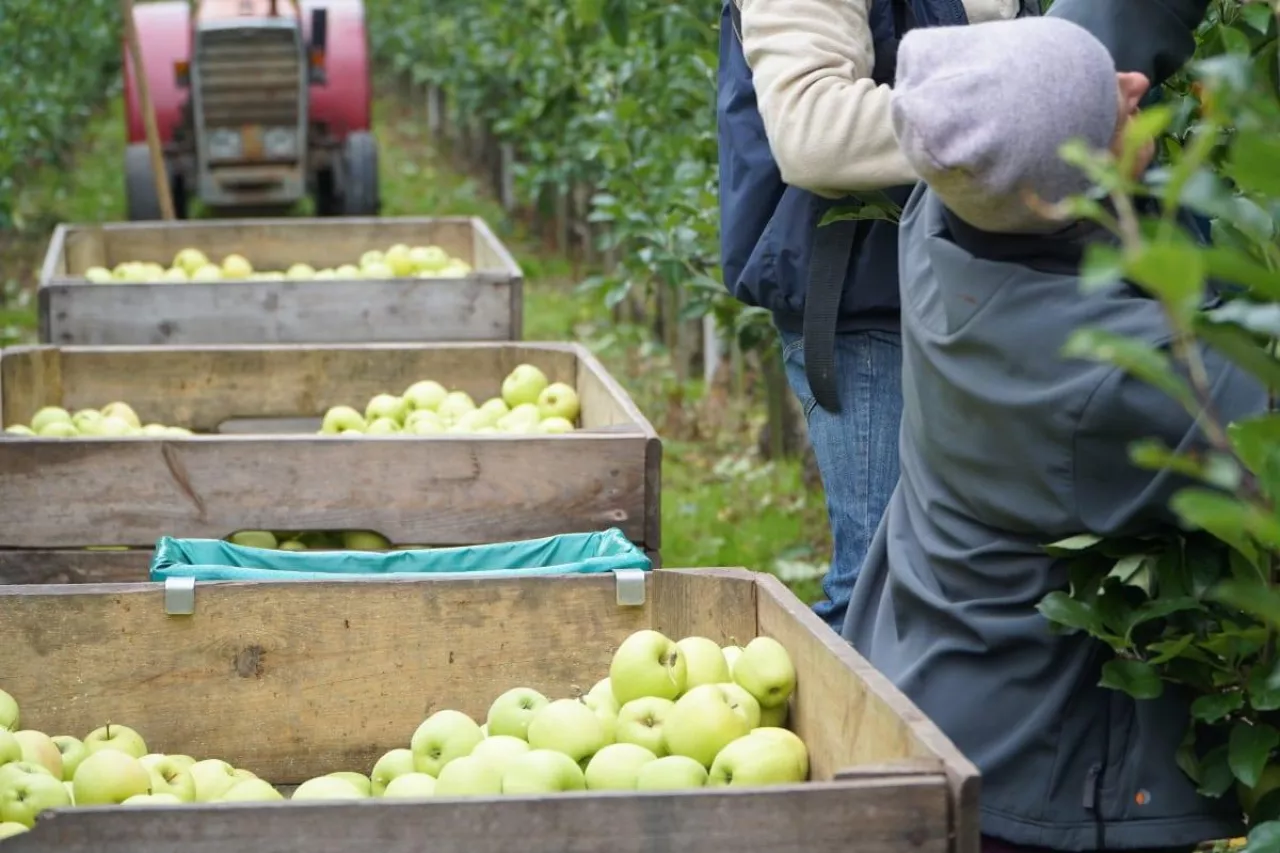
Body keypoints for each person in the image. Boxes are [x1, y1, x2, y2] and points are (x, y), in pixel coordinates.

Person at [844, 12, 1261, 853]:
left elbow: (1035, 91)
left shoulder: (945, 209)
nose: (1134, 87)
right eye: (1111, 104)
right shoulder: (1110, 371)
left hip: (933, 693)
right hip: (1034, 783)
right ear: (1066, 180)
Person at [717, 0, 1035, 633]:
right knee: (880, 584)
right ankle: (840, 727)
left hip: (985, 289)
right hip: (868, 303)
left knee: (976, 578)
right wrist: (1024, 119)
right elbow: (813, 131)